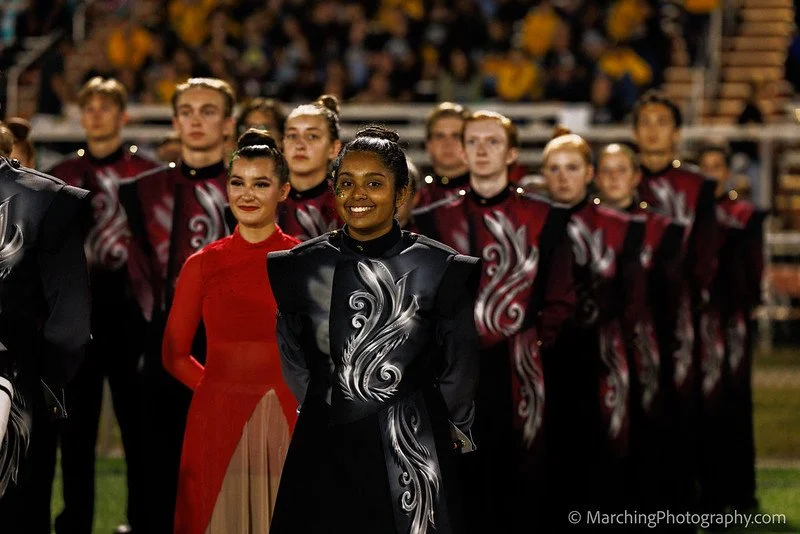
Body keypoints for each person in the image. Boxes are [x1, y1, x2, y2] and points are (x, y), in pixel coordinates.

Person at [268, 126, 481, 534]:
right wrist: (328, 408)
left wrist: (432, 425)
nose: (358, 194)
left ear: (401, 193)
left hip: (412, 447)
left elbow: (460, 366)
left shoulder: (443, 267)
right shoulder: (298, 265)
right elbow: (293, 355)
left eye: (374, 183)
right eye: (347, 183)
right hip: (323, 445)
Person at [414, 110, 574, 532]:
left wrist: (534, 343)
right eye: (474, 142)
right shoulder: (432, 217)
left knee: (522, 467)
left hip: (520, 365)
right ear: (463, 150)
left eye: (493, 142)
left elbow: (560, 295)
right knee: (461, 469)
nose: (482, 150)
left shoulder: (545, 215)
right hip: (453, 367)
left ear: (512, 153)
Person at [163, 130, 299, 533]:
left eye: (261, 184)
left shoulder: (304, 261)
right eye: (238, 183)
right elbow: (173, 355)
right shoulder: (202, 264)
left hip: (287, 415)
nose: (247, 194)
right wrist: (218, 392)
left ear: (284, 191)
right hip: (216, 418)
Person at [119, 77, 237, 534]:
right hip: (163, 340)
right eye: (187, 111)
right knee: (156, 466)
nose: (196, 120)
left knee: (230, 466)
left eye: (208, 111)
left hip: (232, 345)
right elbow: (137, 272)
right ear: (174, 121)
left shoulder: (250, 188)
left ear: (228, 124)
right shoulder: (142, 190)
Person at [46, 76, 160, 534]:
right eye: (88, 107)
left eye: (105, 107)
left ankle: (140, 521)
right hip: (78, 317)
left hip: (133, 316)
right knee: (75, 433)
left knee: (138, 429)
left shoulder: (147, 173)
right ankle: (75, 523)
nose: (96, 115)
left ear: (123, 115)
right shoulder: (60, 175)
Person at [541, 128, 644, 525]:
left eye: (572, 168)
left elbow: (633, 301)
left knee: (603, 454)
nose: (562, 177)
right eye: (554, 169)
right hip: (544, 356)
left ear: (589, 173)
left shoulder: (620, 225)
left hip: (601, 355)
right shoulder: (531, 221)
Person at [633, 89, 719, 524]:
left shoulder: (698, 186)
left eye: (661, 122)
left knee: (680, 407)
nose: (652, 130)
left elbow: (706, 254)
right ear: (634, 131)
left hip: (679, 315)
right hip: (629, 317)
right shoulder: (619, 179)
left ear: (677, 133)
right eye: (645, 122)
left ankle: (681, 508)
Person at [0, 154, 91, 534]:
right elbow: (70, 324)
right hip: (21, 389)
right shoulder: (49, 198)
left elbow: (69, 324)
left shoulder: (49, 198)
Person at [594, 143, 685, 518]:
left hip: (647, 343)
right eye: (607, 170)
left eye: (622, 170)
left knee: (650, 430)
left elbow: (671, 294)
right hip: (596, 346)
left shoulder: (662, 227)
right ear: (596, 177)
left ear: (636, 177)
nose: (614, 178)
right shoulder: (583, 223)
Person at [698, 144, 765, 514]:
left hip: (733, 321)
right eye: (704, 167)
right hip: (697, 323)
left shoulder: (744, 214)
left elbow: (754, 269)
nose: (711, 173)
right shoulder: (690, 215)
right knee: (701, 406)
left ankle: (740, 495)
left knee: (735, 404)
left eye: (717, 166)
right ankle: (706, 493)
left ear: (727, 172)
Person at [278, 95, 343, 241]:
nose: (300, 145)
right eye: (292, 136)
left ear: (333, 148)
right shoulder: (267, 197)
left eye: (312, 136)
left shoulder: (345, 203)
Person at [417, 102, 470, 208]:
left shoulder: (491, 193)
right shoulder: (414, 199)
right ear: (428, 144)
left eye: (456, 136)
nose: (447, 144)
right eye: (440, 136)